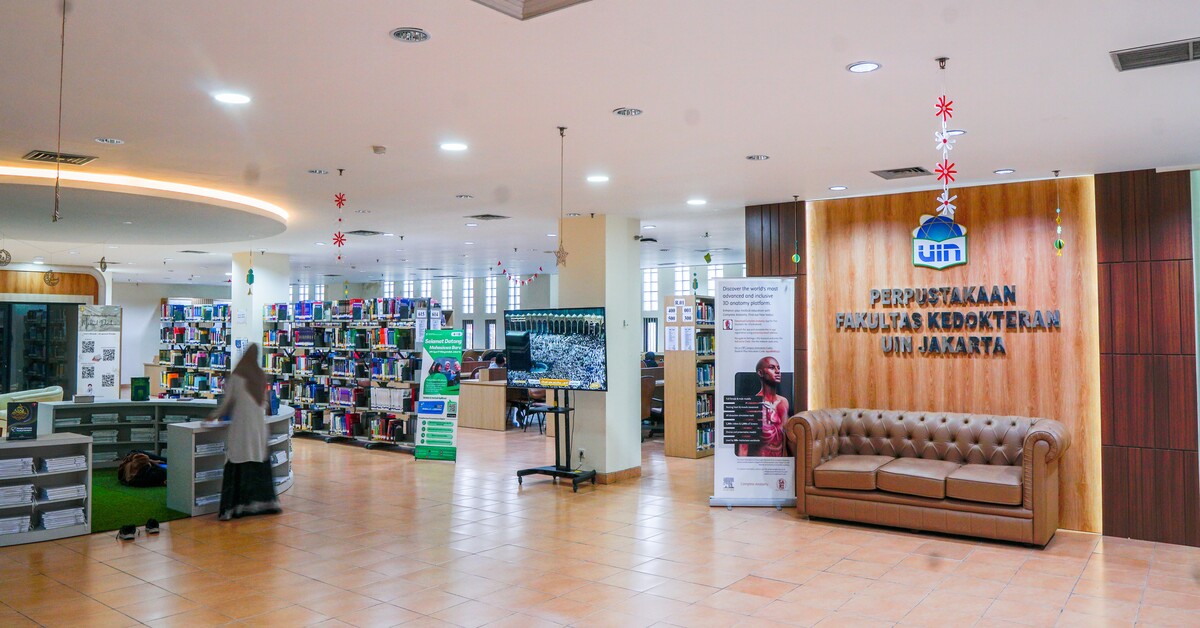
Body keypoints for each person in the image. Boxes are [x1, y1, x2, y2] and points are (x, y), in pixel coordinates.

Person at [210, 343, 281, 520]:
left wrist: (214, 416)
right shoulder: (260, 375)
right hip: (259, 428)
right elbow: (264, 402)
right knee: (256, 462)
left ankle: (233, 508)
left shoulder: (237, 376)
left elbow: (228, 402)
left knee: (237, 461)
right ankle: (259, 505)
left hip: (242, 427)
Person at [737, 356, 790, 457]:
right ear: (760, 373)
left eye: (778, 368)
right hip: (761, 462)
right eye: (772, 367)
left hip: (780, 462)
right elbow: (743, 445)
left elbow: (786, 441)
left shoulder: (784, 403)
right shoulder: (753, 404)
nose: (777, 371)